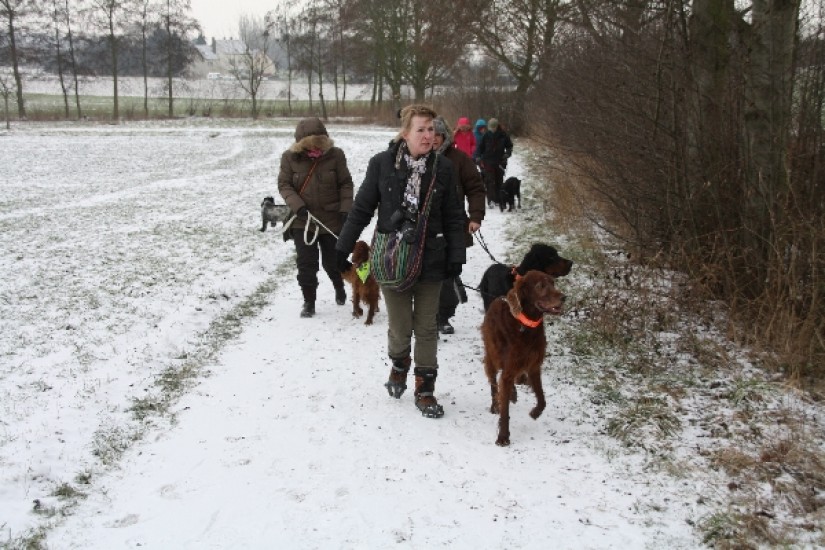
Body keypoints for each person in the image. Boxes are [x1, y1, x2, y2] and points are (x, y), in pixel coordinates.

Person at [335, 105, 466, 419]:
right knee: (400, 326)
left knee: (427, 327)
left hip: (432, 259)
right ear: (405, 133)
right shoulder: (381, 164)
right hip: (392, 258)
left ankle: (425, 388)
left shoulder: (443, 168)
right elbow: (362, 209)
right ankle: (399, 364)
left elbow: (454, 216)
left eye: (431, 129)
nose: (428, 135)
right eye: (421, 129)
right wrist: (342, 248)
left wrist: (456, 257)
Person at [278, 117, 353, 318]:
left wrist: (345, 209)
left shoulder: (336, 155)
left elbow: (346, 183)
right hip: (303, 220)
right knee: (306, 264)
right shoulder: (289, 158)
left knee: (333, 261)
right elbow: (284, 185)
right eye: (310, 144)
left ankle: (339, 286)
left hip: (331, 219)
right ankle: (309, 301)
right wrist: (298, 206)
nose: (315, 148)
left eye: (319, 143)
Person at [432, 116, 486, 335]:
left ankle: (443, 316)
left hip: (453, 226)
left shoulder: (460, 159)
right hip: (425, 228)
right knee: (430, 274)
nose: (433, 139)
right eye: (430, 134)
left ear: (445, 136)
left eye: (438, 134)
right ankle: (428, 316)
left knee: (447, 272)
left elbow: (475, 188)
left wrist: (475, 216)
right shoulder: (417, 157)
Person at [474, 117, 513, 209]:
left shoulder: (503, 135)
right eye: (490, 127)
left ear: (497, 126)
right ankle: (490, 200)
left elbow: (509, 146)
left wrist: (507, 154)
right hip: (488, 161)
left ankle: (498, 199)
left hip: (500, 161)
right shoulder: (486, 136)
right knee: (489, 181)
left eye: (494, 127)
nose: (492, 129)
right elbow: (479, 148)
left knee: (499, 180)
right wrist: (478, 157)